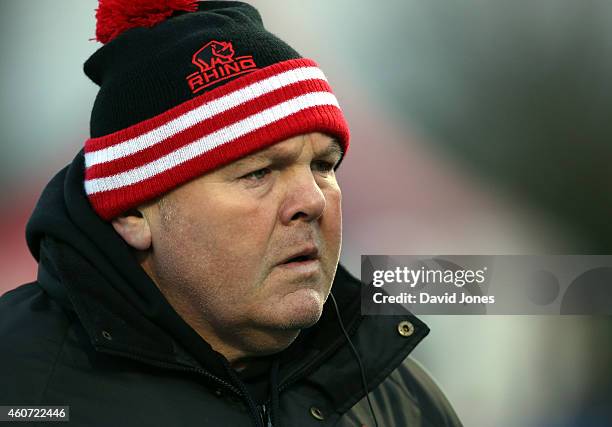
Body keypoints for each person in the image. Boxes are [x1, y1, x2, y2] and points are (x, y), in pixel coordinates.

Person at [0, 1, 462, 426]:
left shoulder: (402, 398)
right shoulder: (19, 382)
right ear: (133, 213)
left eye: (323, 166)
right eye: (258, 173)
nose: (313, 200)